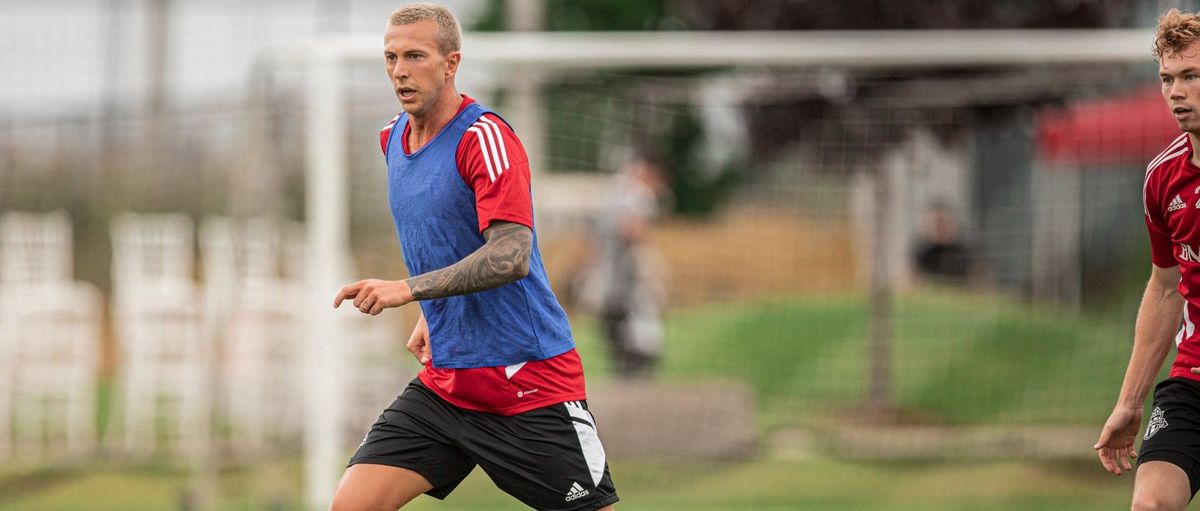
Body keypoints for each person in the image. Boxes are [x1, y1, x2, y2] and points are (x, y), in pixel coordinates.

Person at [328, 4, 618, 510]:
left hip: (525, 382)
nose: (399, 70)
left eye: (415, 55)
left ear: (450, 63)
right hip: (447, 384)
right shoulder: (391, 137)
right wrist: (432, 311)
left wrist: (408, 289)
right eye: (391, 57)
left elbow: (510, 255)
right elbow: (444, 235)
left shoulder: (484, 138)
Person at [1096, 9, 1200, 511]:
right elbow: (1164, 287)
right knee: (1150, 506)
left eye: (1190, 76)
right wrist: (1129, 401)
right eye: (1167, 79)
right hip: (1192, 383)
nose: (1175, 92)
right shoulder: (1162, 178)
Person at [573, 159, 669, 378]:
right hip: (624, 285)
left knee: (619, 343)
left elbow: (589, 239)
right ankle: (634, 386)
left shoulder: (611, 193)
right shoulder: (636, 195)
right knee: (641, 341)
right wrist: (648, 258)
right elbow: (632, 229)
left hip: (608, 286)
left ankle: (627, 384)